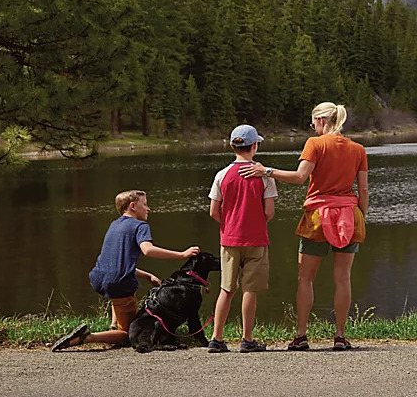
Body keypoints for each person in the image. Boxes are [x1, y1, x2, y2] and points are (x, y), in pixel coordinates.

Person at [242, 102, 368, 351]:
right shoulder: (358, 149)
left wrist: (266, 171)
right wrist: (359, 216)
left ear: (321, 121)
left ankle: (301, 336)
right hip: (348, 216)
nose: (313, 128)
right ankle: (340, 336)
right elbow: (363, 189)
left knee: (305, 279)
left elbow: (300, 177)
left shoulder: (315, 144)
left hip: (317, 218)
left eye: (313, 123)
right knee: (343, 278)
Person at [53, 190, 201, 351]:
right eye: (144, 205)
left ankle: (112, 325)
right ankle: (87, 337)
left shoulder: (114, 225)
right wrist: (182, 255)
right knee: (131, 334)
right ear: (133, 206)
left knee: (117, 291)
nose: (148, 209)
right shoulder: (140, 226)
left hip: (98, 277)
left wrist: (147, 275)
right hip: (118, 283)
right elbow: (148, 250)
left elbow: (118, 264)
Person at [206, 125, 277, 353]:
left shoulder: (222, 175)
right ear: (255, 146)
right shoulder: (263, 175)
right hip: (256, 240)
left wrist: (229, 225)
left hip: (229, 240)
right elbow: (269, 212)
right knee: (250, 290)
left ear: (231, 146)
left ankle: (216, 338)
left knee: (226, 289)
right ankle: (247, 339)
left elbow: (213, 211)